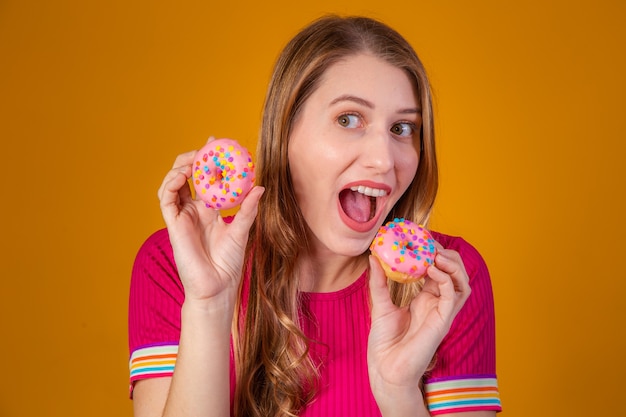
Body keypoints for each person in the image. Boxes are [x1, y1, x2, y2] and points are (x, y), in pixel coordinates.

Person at [128, 15, 502, 417]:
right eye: (348, 119)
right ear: (285, 132)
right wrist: (208, 305)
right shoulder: (177, 263)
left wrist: (398, 393)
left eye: (402, 128)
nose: (384, 160)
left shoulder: (444, 284)